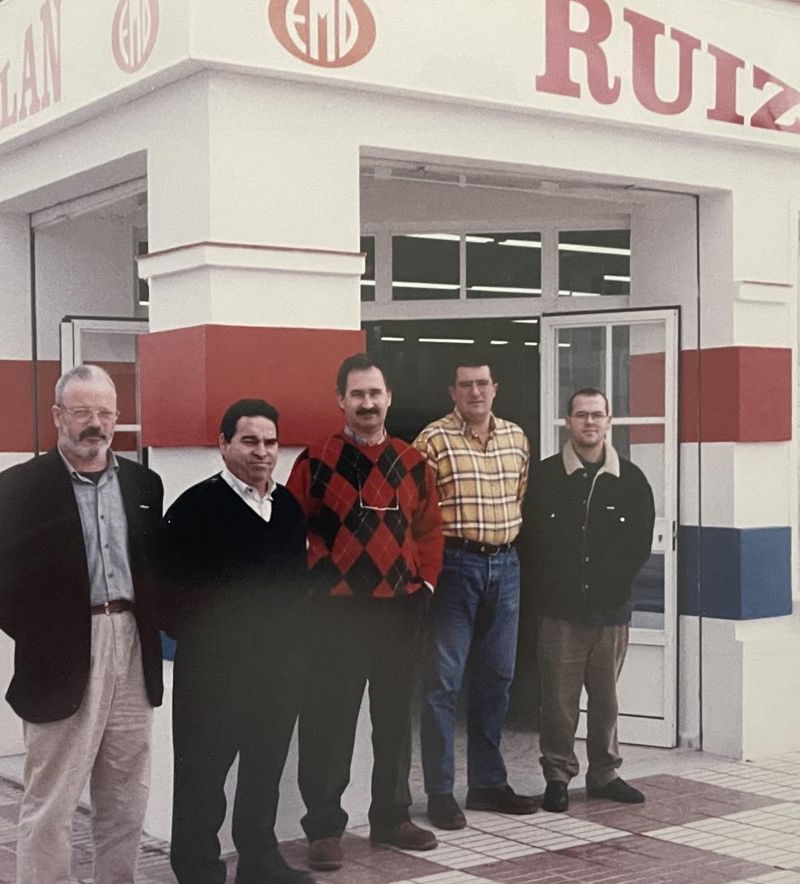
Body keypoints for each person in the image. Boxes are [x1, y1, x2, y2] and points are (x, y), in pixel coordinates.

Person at [0, 364, 165, 884]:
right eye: (81, 412)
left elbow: (155, 567)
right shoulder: (16, 488)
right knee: (52, 800)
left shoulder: (144, 484)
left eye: (105, 413)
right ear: (57, 415)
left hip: (131, 646)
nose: (94, 424)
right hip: (60, 653)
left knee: (126, 795)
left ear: (117, 417)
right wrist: (43, 636)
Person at [287, 354, 444, 872]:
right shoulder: (316, 459)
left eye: (375, 393)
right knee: (328, 719)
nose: (368, 403)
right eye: (357, 394)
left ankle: (391, 817)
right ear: (341, 400)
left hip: (400, 610)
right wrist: (321, 577)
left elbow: (430, 529)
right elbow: (294, 526)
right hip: (337, 614)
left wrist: (425, 581)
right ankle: (324, 828)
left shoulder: (413, 461)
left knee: (395, 719)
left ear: (389, 398)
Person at [164, 399, 312, 884]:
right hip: (214, 675)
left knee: (263, 773)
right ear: (224, 444)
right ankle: (198, 870)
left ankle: (260, 862)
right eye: (249, 441)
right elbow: (167, 593)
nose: (262, 452)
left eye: (270, 442)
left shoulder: (287, 508)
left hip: (278, 672)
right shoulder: (194, 508)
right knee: (202, 779)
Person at [413, 358, 537, 829]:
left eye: (482, 383)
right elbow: (419, 512)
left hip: (505, 565)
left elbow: (518, 498)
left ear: (495, 387)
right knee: (442, 684)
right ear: (453, 392)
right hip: (454, 566)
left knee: (497, 680)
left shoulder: (516, 438)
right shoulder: (432, 441)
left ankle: (487, 784)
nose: (475, 392)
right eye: (465, 385)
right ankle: (440, 792)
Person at [520, 388, 655, 812]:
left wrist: (610, 589)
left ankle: (605, 773)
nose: (590, 422)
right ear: (568, 422)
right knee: (558, 702)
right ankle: (557, 776)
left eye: (597, 415)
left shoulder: (631, 480)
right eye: (581, 415)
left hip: (611, 613)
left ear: (609, 421)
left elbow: (639, 545)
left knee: (606, 701)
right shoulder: (544, 477)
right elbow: (529, 543)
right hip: (559, 612)